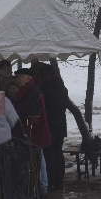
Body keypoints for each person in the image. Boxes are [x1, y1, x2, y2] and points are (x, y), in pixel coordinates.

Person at [12, 68, 52, 197]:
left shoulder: (30, 92)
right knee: (39, 159)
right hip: (35, 132)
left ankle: (35, 190)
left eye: (20, 77)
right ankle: (41, 187)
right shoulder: (32, 90)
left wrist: (27, 133)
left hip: (32, 133)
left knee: (33, 161)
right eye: (17, 77)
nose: (18, 80)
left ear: (28, 77)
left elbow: (33, 117)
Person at [35, 63, 70, 191]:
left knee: (49, 154)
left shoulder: (44, 87)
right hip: (60, 123)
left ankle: (50, 181)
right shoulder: (61, 87)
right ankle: (58, 181)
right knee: (58, 153)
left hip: (49, 123)